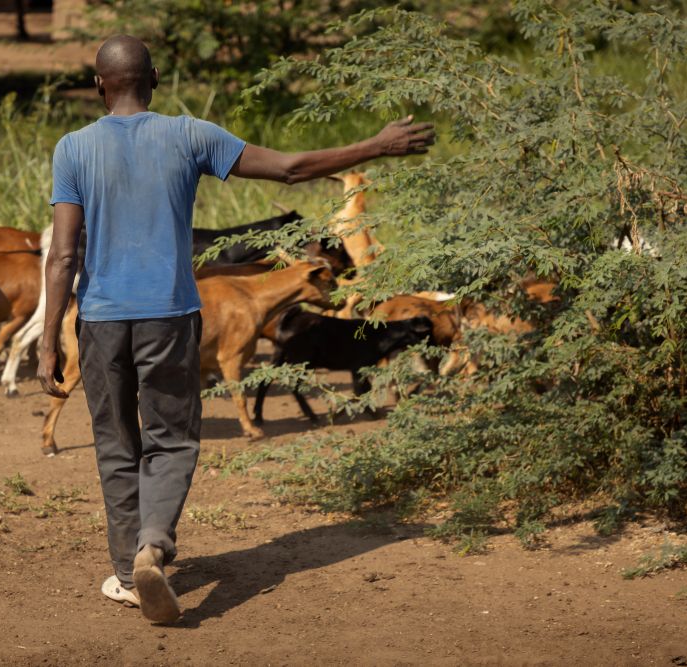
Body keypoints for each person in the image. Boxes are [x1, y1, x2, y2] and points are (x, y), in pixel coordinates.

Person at [37, 35, 435, 624]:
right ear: (156, 78)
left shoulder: (72, 149)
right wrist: (375, 145)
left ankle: (128, 573)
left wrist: (48, 340)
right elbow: (292, 169)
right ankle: (153, 547)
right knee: (171, 439)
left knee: (116, 443)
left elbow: (64, 257)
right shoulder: (190, 134)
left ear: (99, 85)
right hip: (169, 318)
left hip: (97, 320)